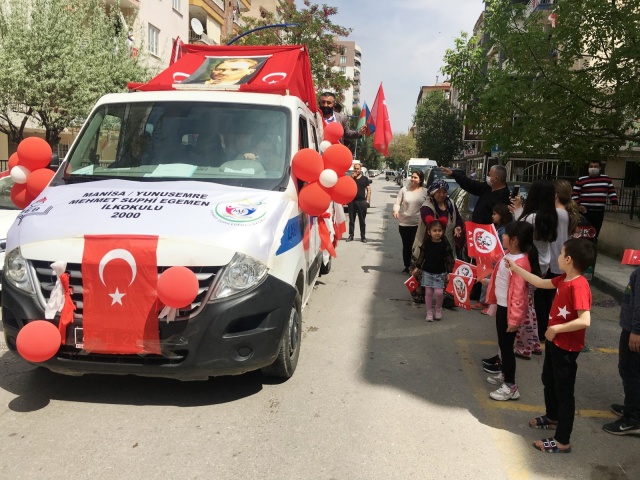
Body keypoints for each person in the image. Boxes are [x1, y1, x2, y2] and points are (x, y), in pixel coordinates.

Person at [506, 238, 596, 453]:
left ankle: (562, 441)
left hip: (567, 348)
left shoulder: (579, 285)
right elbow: (539, 282)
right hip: (556, 344)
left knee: (564, 393)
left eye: (561, 253)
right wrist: (516, 268)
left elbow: (585, 320)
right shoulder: (564, 278)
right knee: (549, 380)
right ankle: (553, 417)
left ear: (568, 259)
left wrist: (556, 329)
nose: (558, 256)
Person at [485, 221, 540, 401]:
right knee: (503, 345)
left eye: (506, 234)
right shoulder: (508, 255)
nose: (502, 236)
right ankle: (504, 374)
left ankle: (510, 386)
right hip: (502, 306)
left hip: (509, 311)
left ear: (514, 240)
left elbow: (518, 294)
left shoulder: (520, 263)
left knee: (507, 348)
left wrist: (514, 320)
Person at [511, 179, 559, 345]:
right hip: (544, 262)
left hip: (530, 263)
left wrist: (518, 210)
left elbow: (519, 232)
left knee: (526, 303)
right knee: (535, 301)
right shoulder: (551, 216)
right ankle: (537, 335)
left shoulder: (532, 217)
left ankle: (528, 339)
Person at [603, 265, 640, 435]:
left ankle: (633, 419)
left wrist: (636, 331)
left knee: (630, 371)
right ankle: (633, 407)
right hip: (633, 328)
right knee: (632, 371)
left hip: (634, 331)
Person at [412, 216, 454, 322]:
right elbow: (421, 256)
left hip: (440, 273)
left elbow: (449, 259)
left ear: (443, 231)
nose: (437, 233)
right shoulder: (426, 243)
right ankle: (429, 312)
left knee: (439, 293)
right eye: (434, 230)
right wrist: (417, 267)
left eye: (439, 230)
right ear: (429, 232)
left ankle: (438, 309)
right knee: (429, 293)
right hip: (427, 272)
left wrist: (449, 272)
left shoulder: (445, 245)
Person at [473, 203, 513, 313]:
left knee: (492, 281)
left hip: (497, 258)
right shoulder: (496, 227)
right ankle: (484, 301)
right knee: (487, 278)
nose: (492, 216)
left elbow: (502, 246)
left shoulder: (503, 230)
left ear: (502, 215)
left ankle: (488, 303)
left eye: (495, 214)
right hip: (492, 257)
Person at [440, 165, 510, 224]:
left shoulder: (503, 196)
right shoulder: (487, 187)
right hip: (476, 227)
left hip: (489, 231)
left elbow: (499, 219)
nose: (487, 176)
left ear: (496, 178)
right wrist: (453, 174)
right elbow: (470, 184)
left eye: (489, 175)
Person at [571, 160, 618, 239]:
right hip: (585, 212)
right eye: (591, 166)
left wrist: (614, 203)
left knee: (595, 232)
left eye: (595, 166)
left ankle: (593, 245)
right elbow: (574, 194)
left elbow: (611, 192)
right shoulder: (581, 179)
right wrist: (578, 205)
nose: (593, 168)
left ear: (600, 168)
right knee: (583, 233)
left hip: (599, 212)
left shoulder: (606, 179)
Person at [393, 170, 428, 274]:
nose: (412, 179)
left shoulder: (425, 192)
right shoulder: (404, 190)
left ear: (420, 180)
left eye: (415, 177)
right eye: (412, 177)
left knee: (416, 245)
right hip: (404, 223)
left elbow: (430, 205)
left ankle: (416, 266)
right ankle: (407, 265)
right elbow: (397, 203)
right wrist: (396, 210)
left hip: (418, 223)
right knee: (407, 245)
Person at [347, 162, 371, 243]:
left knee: (362, 220)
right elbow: (346, 187)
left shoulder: (365, 179)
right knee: (351, 220)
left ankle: (363, 237)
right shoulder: (350, 178)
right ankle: (351, 235)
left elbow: (368, 190)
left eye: (358, 169)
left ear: (360, 170)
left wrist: (367, 201)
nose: (356, 170)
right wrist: (351, 178)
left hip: (361, 201)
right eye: (355, 168)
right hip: (352, 201)